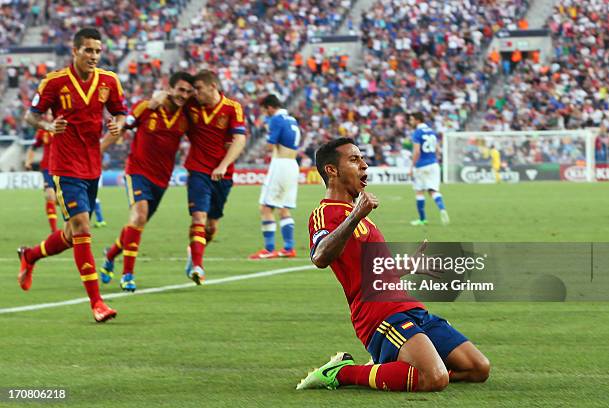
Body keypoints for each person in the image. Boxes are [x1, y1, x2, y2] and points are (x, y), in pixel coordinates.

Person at [297, 138, 489, 392]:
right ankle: (343, 372)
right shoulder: (325, 213)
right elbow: (320, 256)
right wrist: (355, 215)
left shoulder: (364, 220)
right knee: (434, 379)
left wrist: (407, 266)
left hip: (410, 307)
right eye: (355, 160)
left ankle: (392, 367)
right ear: (331, 170)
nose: (364, 165)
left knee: (478, 368)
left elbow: (373, 270)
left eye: (363, 159)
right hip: (378, 314)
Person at [18, 27, 127, 322]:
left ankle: (30, 255)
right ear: (75, 51)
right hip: (65, 166)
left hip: (92, 166)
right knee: (81, 228)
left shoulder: (109, 81)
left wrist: (118, 124)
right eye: (88, 50)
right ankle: (97, 303)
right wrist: (49, 127)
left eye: (97, 51)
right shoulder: (54, 82)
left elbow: (121, 112)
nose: (93, 56)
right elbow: (30, 115)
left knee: (70, 235)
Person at [99, 72, 194, 292]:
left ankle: (111, 254)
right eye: (180, 89)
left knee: (136, 224)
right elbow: (123, 127)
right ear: (169, 88)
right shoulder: (147, 107)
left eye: (188, 92)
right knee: (139, 215)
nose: (184, 95)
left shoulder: (186, 116)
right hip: (137, 171)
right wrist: (98, 151)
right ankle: (128, 275)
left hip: (162, 179)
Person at [152, 70, 246, 284]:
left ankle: (193, 252)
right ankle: (198, 266)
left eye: (199, 89)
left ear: (213, 87)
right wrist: (159, 96)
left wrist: (223, 165)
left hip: (223, 173)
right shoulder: (191, 104)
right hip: (198, 170)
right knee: (198, 218)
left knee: (211, 227)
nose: (195, 93)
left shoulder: (232, 108)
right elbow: (172, 97)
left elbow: (240, 140)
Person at [249, 94, 300, 259]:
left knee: (265, 207)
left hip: (281, 165)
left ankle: (269, 249)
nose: (264, 113)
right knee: (283, 208)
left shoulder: (276, 120)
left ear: (270, 107)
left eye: (264, 110)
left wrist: (266, 130)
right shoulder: (291, 119)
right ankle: (288, 248)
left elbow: (271, 146)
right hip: (293, 164)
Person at [408, 112, 449, 226]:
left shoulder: (417, 133)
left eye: (411, 120)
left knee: (419, 192)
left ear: (417, 120)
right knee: (433, 191)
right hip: (434, 164)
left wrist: (412, 167)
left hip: (421, 165)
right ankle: (442, 209)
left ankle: (422, 219)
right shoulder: (432, 131)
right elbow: (438, 150)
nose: (410, 122)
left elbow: (417, 151)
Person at [24, 125, 58, 233]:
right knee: (49, 195)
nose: (48, 115)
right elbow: (34, 147)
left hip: (63, 167)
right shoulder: (42, 131)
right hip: (47, 168)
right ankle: (54, 231)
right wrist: (28, 161)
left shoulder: (65, 125)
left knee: (62, 199)